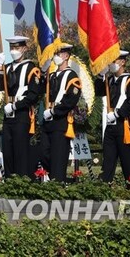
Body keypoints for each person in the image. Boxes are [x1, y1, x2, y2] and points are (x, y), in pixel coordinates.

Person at [0, 36, 42, 178]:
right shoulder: (8, 67)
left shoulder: (32, 69)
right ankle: (9, 180)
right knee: (8, 150)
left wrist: (15, 106)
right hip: (8, 114)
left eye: (17, 48)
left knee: (20, 150)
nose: (13, 51)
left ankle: (22, 180)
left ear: (24, 49)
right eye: (12, 48)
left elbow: (33, 95)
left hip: (21, 113)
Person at [97, 50, 130, 186]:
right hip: (111, 126)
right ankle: (104, 185)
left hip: (124, 125)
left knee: (128, 160)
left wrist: (117, 114)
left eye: (113, 61)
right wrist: (101, 75)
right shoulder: (109, 80)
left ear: (122, 62)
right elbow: (99, 91)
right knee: (108, 159)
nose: (111, 64)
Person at [40, 43, 81, 183]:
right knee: (44, 152)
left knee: (58, 156)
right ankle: (54, 178)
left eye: (58, 54)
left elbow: (71, 100)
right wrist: (42, 71)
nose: (55, 57)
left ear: (66, 56)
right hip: (48, 121)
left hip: (61, 120)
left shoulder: (72, 76)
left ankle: (58, 183)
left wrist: (54, 111)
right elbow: (40, 89)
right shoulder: (51, 75)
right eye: (55, 54)